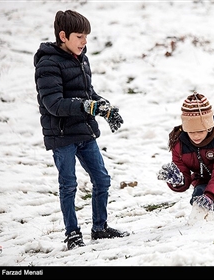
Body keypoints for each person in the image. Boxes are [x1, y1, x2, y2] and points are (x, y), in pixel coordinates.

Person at [34, 10, 129, 250]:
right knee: (69, 185)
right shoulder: (48, 64)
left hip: (84, 132)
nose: (85, 41)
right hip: (62, 135)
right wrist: (88, 106)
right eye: (80, 36)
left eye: (86, 36)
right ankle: (72, 233)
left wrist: (105, 107)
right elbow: (53, 104)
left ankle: (100, 228)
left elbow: (87, 94)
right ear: (63, 36)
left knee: (102, 179)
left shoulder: (81, 58)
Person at [157, 92, 214, 219]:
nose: (196, 136)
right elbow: (183, 174)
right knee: (200, 204)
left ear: (208, 127)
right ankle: (204, 205)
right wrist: (178, 180)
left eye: (200, 131)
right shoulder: (178, 143)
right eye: (191, 132)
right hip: (202, 179)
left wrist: (211, 196)